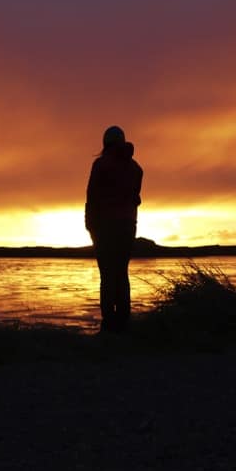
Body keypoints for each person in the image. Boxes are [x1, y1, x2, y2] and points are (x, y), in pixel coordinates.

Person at [85, 125, 143, 332]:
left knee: (107, 275)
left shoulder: (100, 165)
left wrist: (89, 224)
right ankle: (124, 322)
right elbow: (136, 197)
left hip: (105, 227)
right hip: (128, 226)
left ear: (105, 143)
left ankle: (109, 324)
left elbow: (91, 197)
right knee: (121, 273)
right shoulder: (136, 168)